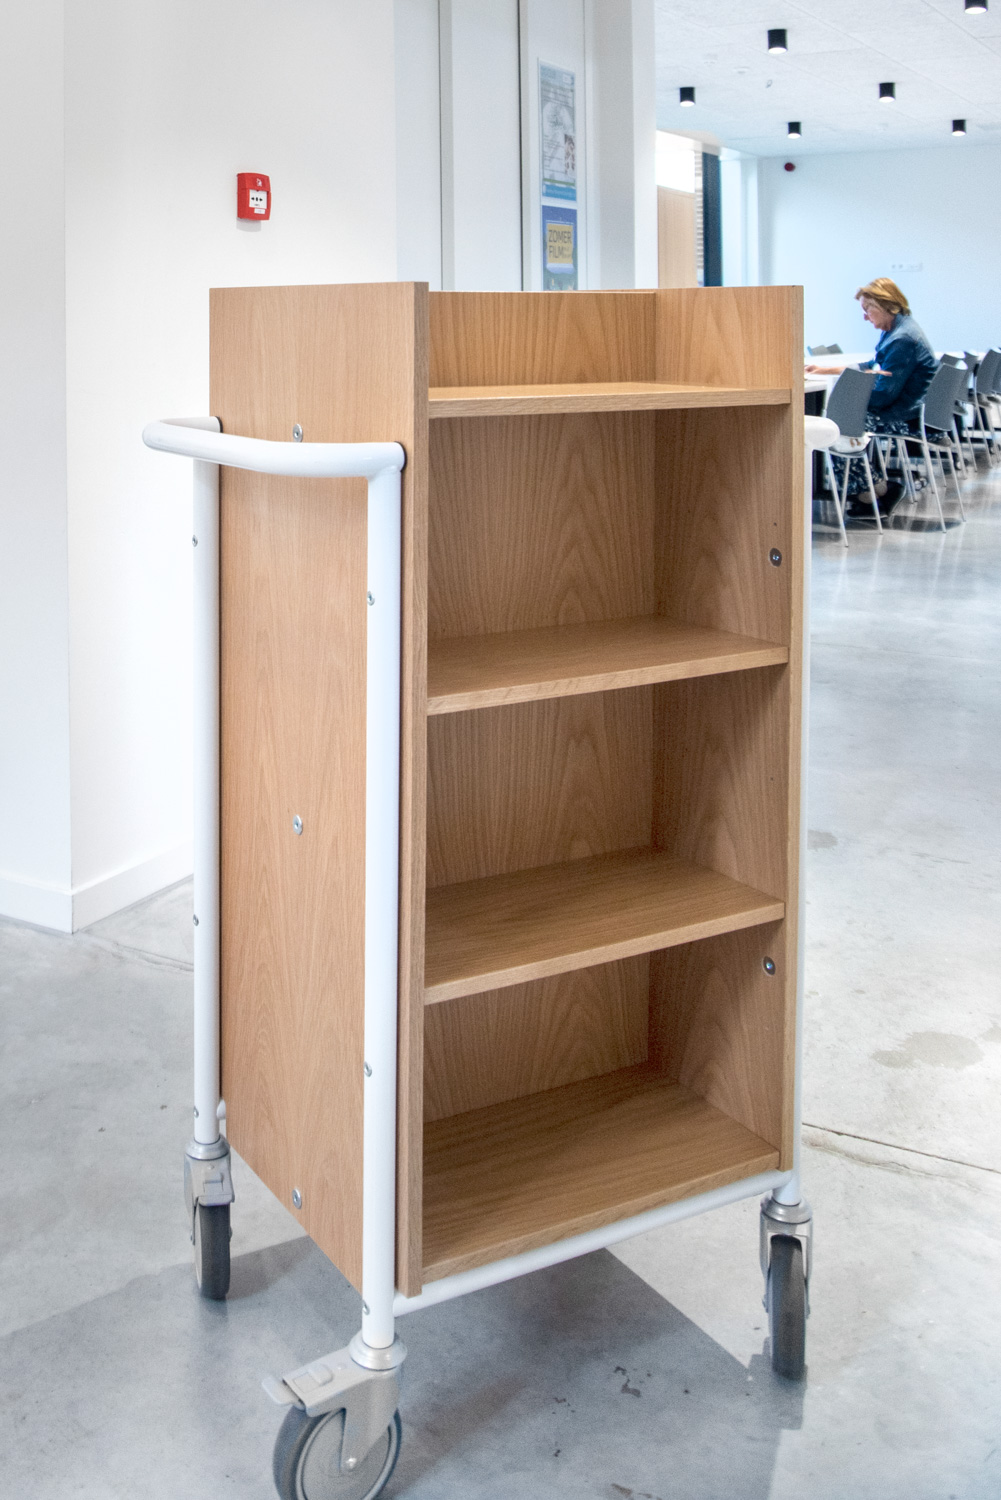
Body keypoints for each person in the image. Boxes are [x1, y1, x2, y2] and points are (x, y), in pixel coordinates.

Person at [806, 278, 937, 517]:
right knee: (844, 417)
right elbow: (873, 365)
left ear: (888, 306)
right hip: (910, 410)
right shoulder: (898, 330)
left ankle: (870, 494)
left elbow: (883, 395)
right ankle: (875, 488)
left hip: (904, 417)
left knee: (840, 425)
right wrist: (827, 370)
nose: (865, 317)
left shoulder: (902, 339)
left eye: (868, 309)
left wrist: (851, 396)